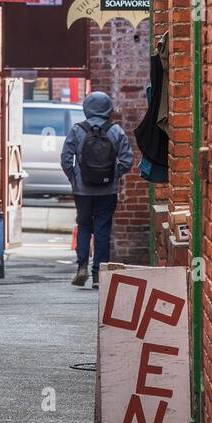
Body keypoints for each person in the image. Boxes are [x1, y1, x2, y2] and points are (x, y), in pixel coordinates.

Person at [61, 91, 134, 288]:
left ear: (87, 108)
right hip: (107, 191)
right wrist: (113, 174)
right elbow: (127, 160)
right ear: (108, 109)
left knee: (84, 226)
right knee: (103, 229)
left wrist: (75, 178)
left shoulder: (77, 130)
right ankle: (98, 276)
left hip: (82, 191)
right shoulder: (116, 131)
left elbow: (66, 159)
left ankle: (82, 266)